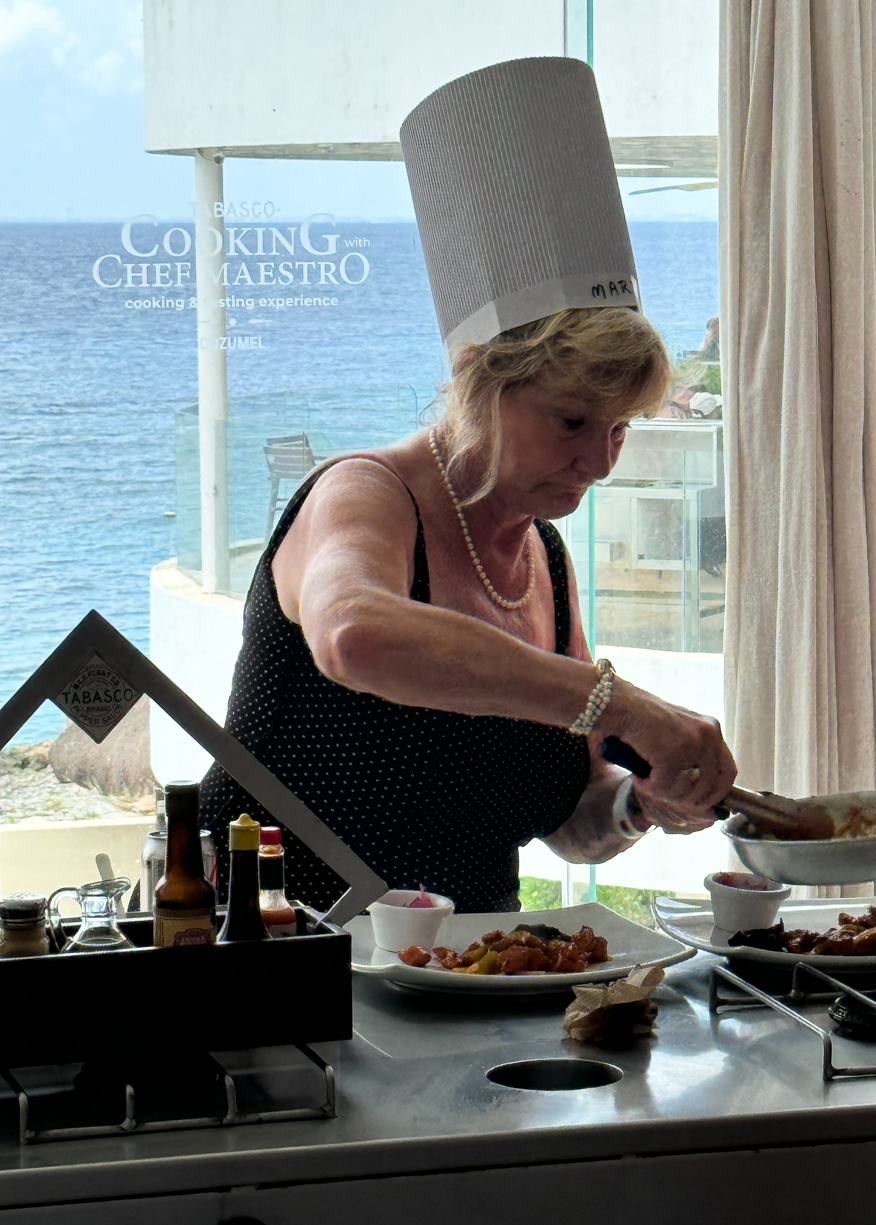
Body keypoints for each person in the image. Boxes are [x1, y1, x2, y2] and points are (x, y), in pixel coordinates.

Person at [200, 59, 737, 913]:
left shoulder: (544, 562)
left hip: (478, 997)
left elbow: (570, 819)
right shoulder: (368, 493)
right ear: (478, 379)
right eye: (570, 423)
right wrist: (617, 700)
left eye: (620, 431)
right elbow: (353, 636)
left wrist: (641, 803)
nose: (600, 462)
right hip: (294, 988)